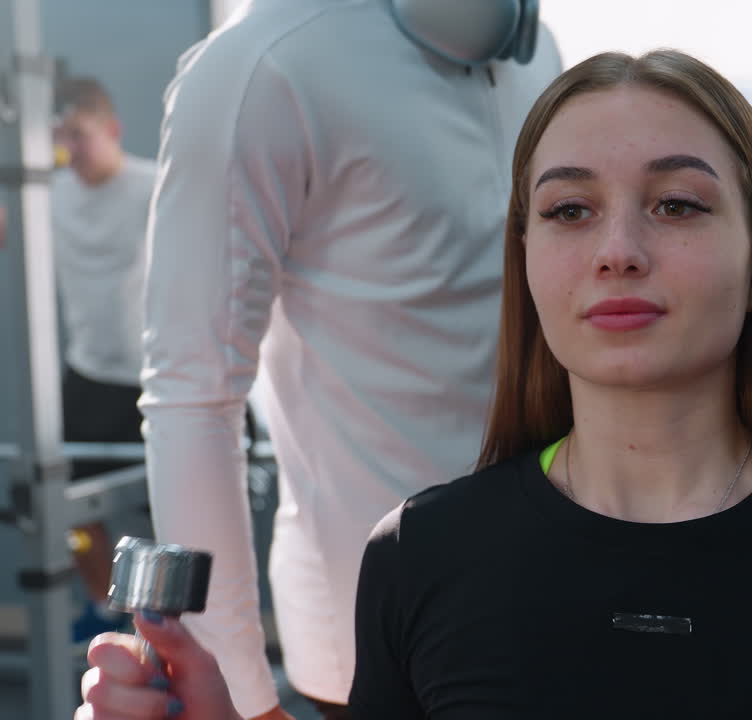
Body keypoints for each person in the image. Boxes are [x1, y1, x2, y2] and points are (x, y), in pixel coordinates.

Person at [76, 50, 752, 720]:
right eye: (567, 210)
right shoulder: (418, 556)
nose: (614, 250)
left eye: (677, 204)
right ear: (529, 263)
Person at [135, 1, 561, 718]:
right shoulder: (262, 67)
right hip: (374, 632)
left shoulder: (533, 46)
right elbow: (193, 396)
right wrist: (239, 693)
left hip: (554, 587)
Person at [50, 75, 153, 644]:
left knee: (168, 511)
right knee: (69, 512)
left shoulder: (153, 187)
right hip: (87, 375)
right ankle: (101, 603)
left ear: (111, 129)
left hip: (150, 378)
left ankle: (162, 627)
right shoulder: (49, 190)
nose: (70, 148)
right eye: (59, 136)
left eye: (80, 134)